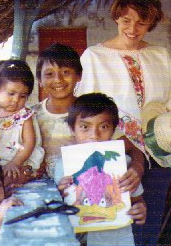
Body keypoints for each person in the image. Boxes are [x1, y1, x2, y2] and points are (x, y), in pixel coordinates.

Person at [76, 0, 171, 245]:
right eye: (126, 20)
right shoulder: (95, 56)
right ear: (116, 17)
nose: (133, 28)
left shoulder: (158, 55)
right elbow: (86, 110)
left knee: (149, 228)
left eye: (142, 22)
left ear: (152, 23)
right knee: (115, 229)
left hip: (157, 152)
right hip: (114, 155)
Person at [56, 93, 146, 246]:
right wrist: (59, 193)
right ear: (72, 129)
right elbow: (55, 207)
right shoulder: (63, 164)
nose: (94, 135)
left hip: (114, 240)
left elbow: (138, 200)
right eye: (85, 127)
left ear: (113, 129)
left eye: (103, 127)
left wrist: (140, 209)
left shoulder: (123, 163)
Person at [0, 59, 44, 184]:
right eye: (11, 93)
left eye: (23, 96)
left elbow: (29, 142)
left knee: (8, 179)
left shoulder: (24, 115)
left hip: (19, 160)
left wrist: (15, 163)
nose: (16, 100)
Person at [33, 43, 83, 179]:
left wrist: (137, 166)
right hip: (44, 189)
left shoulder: (91, 111)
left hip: (82, 185)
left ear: (79, 75)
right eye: (49, 74)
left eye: (66, 72)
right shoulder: (30, 116)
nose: (58, 80)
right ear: (40, 80)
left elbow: (124, 143)